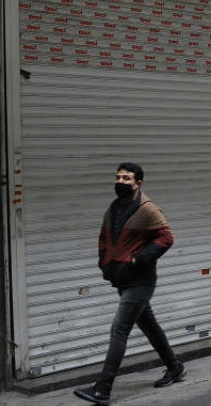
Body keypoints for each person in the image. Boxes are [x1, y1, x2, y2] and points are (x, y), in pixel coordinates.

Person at [75, 163, 185, 406]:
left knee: (119, 329)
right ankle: (175, 368)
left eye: (127, 178)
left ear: (139, 183)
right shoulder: (114, 208)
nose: (121, 181)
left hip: (141, 281)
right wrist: (104, 264)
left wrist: (140, 259)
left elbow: (167, 237)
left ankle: (102, 389)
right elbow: (105, 238)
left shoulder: (148, 209)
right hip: (122, 280)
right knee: (149, 326)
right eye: (118, 177)